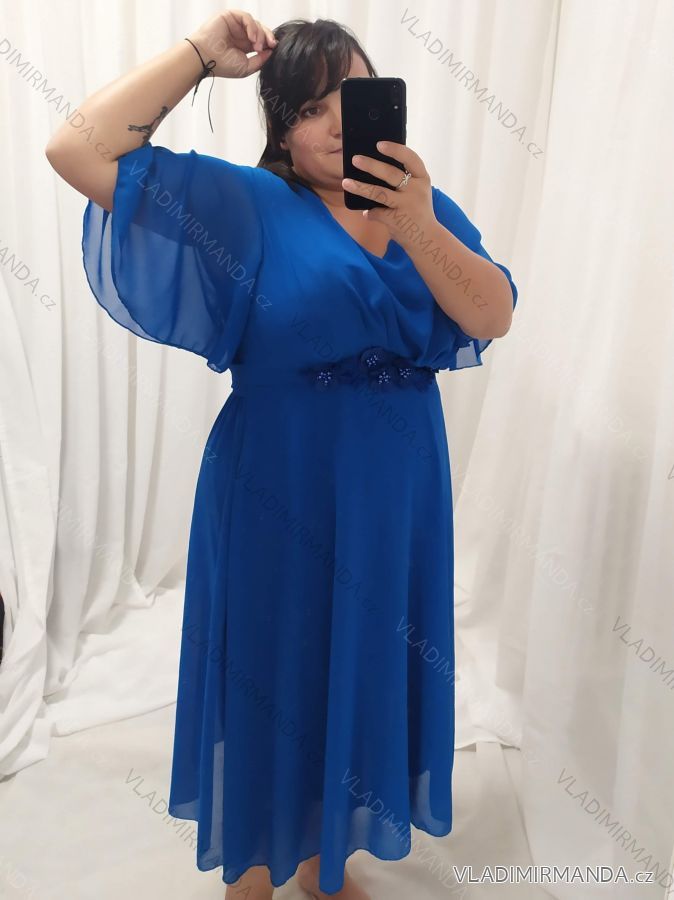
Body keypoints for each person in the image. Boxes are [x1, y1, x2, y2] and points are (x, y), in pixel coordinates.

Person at [45, 9, 517, 899]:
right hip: (282, 485)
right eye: (309, 107)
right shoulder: (250, 203)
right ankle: (254, 873)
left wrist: (417, 221)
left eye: (355, 97)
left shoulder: (422, 201)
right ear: (280, 124)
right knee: (276, 664)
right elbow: (77, 149)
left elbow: (491, 314)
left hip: (394, 496)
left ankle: (320, 859)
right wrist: (198, 56)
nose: (336, 123)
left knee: (357, 662)